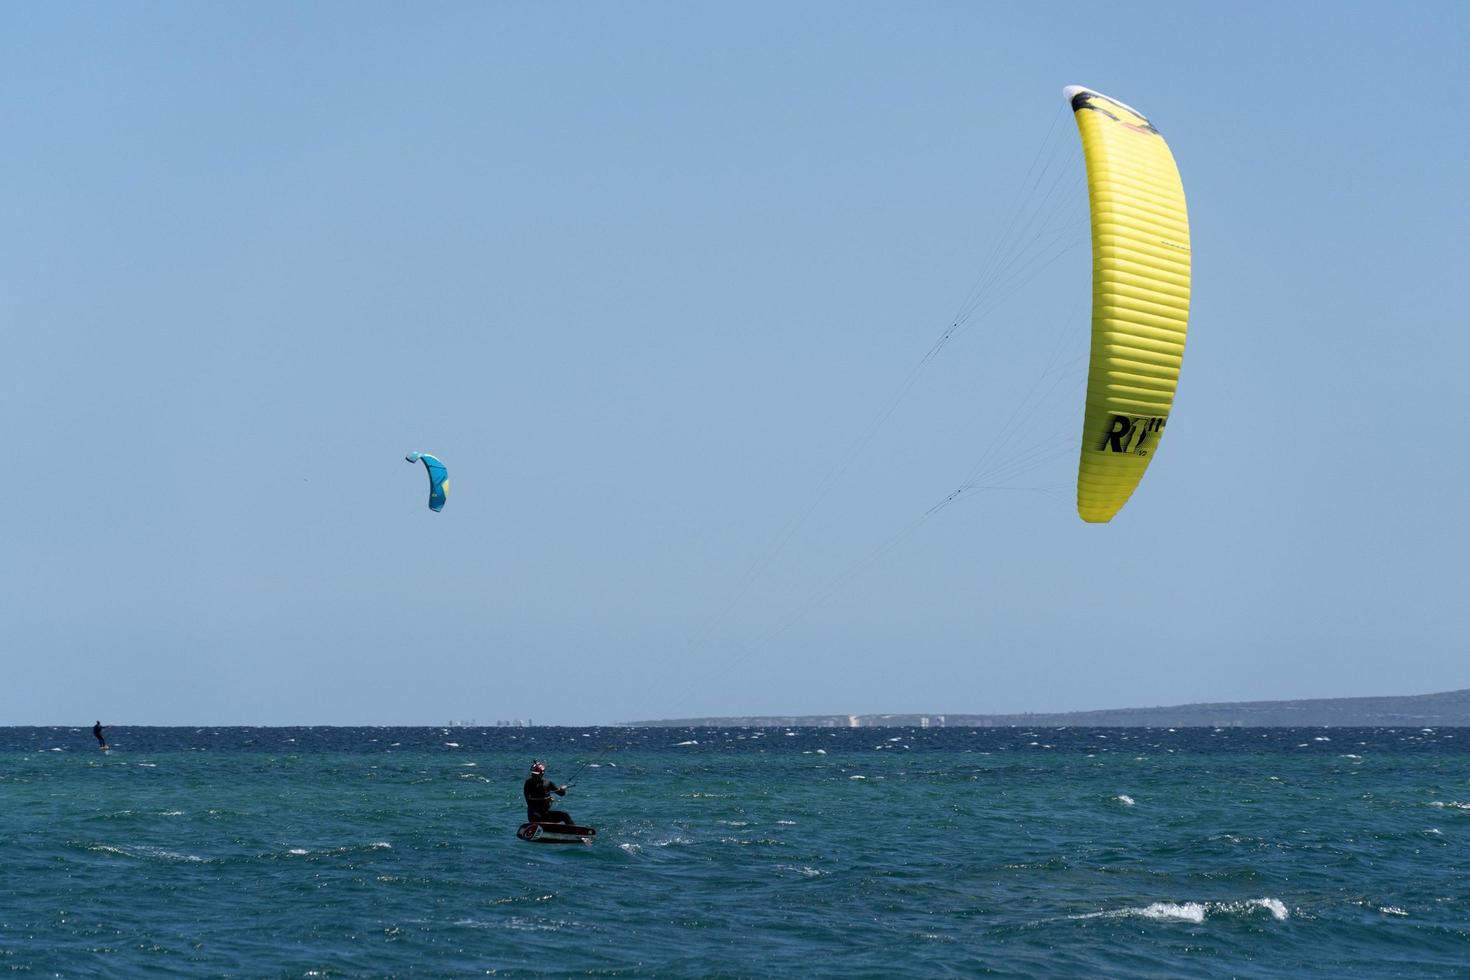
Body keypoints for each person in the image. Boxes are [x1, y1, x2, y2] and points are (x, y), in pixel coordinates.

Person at [522, 761, 574, 825]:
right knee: (535, 815)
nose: (534, 776)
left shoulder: (548, 783)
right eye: (533, 774)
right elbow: (529, 800)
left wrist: (563, 790)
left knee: (564, 815)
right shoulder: (528, 783)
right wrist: (545, 799)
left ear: (542, 774)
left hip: (545, 814)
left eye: (536, 774)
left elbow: (561, 794)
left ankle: (576, 832)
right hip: (534, 814)